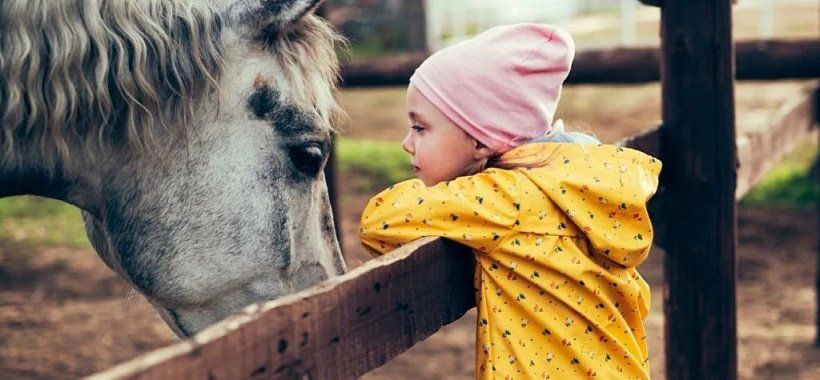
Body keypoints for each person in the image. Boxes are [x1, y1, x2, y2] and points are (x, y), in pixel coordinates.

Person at [359, 23, 661, 380]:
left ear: (481, 140)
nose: (406, 143)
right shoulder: (574, 184)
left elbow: (379, 221)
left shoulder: (503, 200)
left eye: (420, 128)